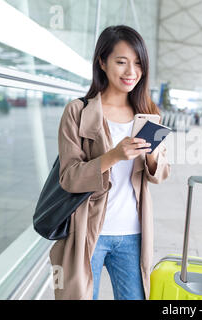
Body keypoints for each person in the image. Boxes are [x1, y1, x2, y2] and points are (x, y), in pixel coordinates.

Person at [49, 25, 170, 300]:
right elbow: (69, 177)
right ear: (102, 62)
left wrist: (151, 155)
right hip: (86, 233)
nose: (131, 72)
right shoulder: (78, 111)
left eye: (138, 63)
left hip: (133, 234)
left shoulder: (149, 113)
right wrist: (113, 156)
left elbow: (161, 174)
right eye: (121, 62)